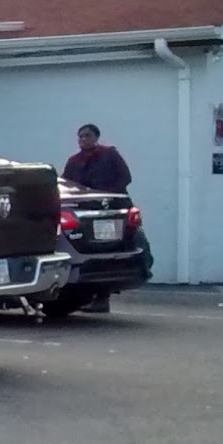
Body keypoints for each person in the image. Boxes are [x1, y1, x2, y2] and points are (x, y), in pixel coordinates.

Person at [61, 124, 148, 311]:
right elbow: (67, 185)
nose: (83, 139)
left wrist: (106, 196)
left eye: (87, 136)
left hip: (113, 210)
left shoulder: (109, 155)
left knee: (117, 250)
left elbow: (125, 177)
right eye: (80, 136)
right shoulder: (74, 161)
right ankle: (95, 298)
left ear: (96, 137)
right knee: (90, 254)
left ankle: (104, 297)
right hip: (86, 215)